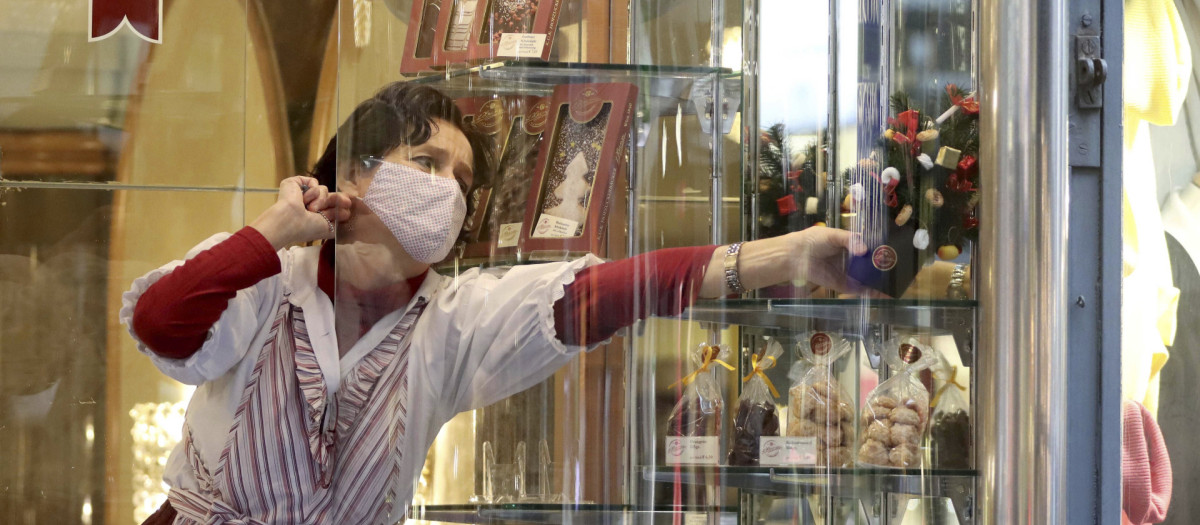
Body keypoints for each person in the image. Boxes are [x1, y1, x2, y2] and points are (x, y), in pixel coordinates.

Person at [123, 82, 864, 524]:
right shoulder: (265, 276)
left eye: (464, 177)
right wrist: (275, 228)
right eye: (426, 162)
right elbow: (161, 322)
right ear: (355, 169)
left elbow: (598, 295)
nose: (450, 188)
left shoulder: (451, 320)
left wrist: (785, 255)